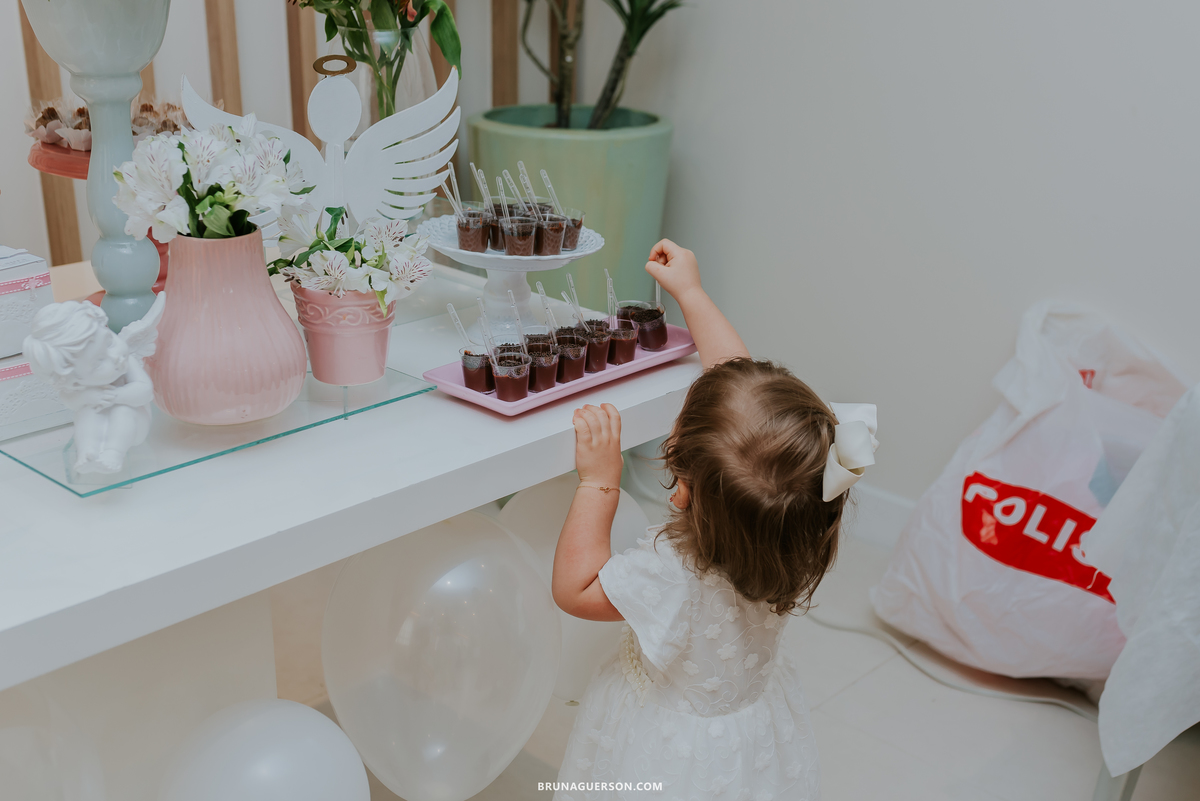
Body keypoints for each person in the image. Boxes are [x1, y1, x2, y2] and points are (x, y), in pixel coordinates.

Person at [551, 239, 879, 800]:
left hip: (666, 752)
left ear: (683, 490)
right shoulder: (799, 520)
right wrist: (691, 292)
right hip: (749, 735)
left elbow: (575, 590)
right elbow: (738, 389)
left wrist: (599, 482)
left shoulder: (673, 572)